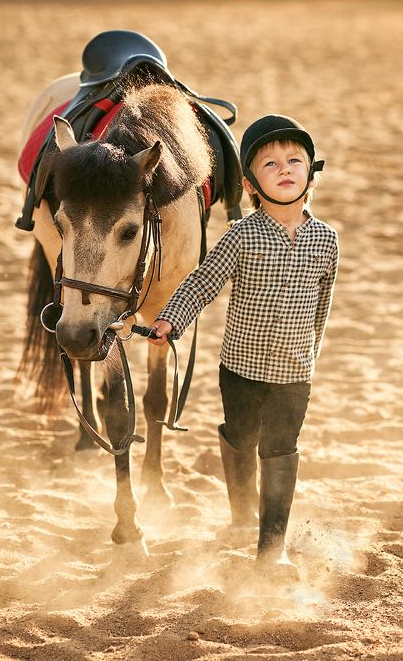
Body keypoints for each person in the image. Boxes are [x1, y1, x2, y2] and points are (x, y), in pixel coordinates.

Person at [148, 114, 338, 580]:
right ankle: (240, 512)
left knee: (280, 448)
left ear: (311, 172)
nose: (285, 168)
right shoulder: (242, 235)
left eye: (295, 160)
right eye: (270, 163)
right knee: (241, 437)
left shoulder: (327, 240)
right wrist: (171, 318)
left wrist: (311, 354)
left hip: (295, 372)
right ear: (252, 184)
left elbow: (323, 305)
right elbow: (203, 282)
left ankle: (272, 550)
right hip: (241, 367)